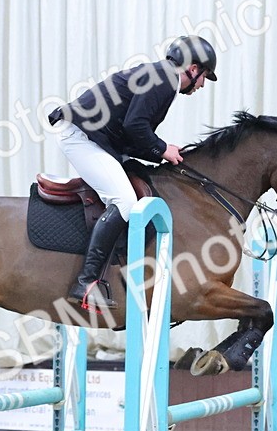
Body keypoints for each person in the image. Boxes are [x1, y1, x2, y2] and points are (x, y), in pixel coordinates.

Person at [48, 35, 218, 309]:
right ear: (194, 68)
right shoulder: (164, 79)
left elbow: (132, 134)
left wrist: (164, 151)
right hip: (80, 135)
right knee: (125, 202)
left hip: (101, 137)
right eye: (204, 78)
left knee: (141, 176)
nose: (201, 86)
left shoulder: (162, 77)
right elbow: (135, 127)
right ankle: (85, 282)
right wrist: (163, 149)